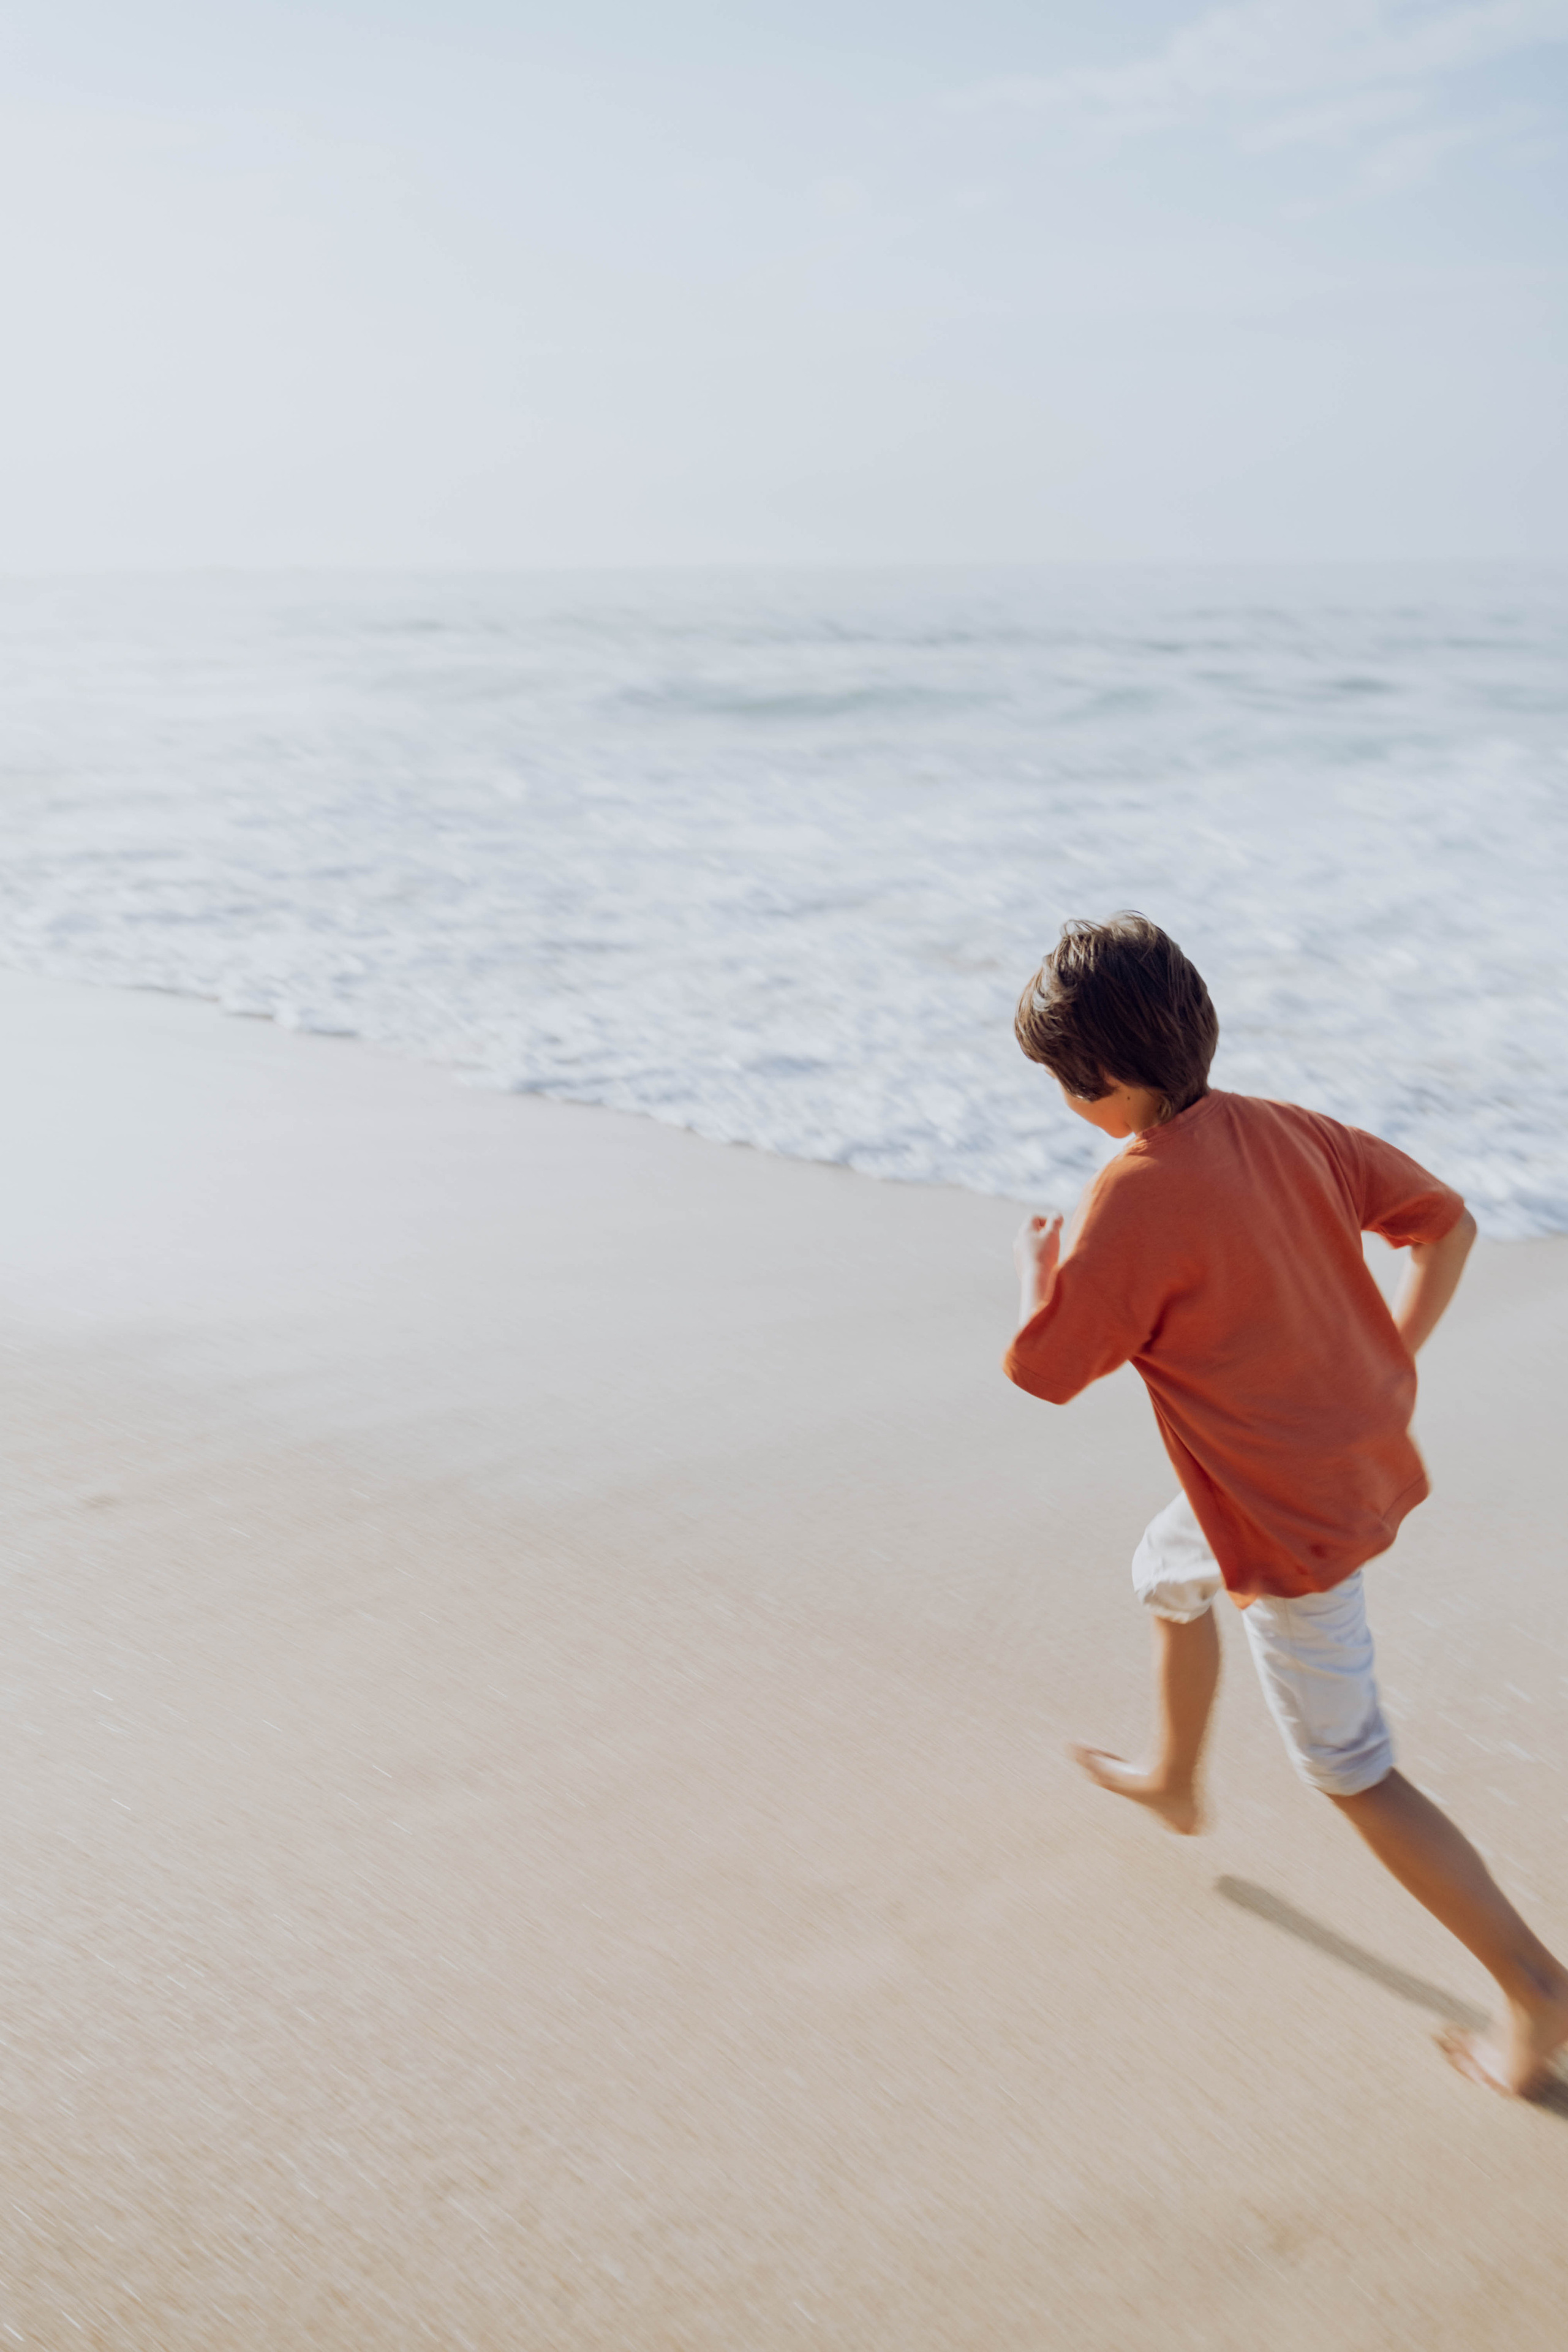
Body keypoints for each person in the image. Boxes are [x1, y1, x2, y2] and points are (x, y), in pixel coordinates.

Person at [1005, 912, 1568, 2100]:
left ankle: (1531, 1986)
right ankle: (1172, 1776)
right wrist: (1395, 1352)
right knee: (1162, 1569)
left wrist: (1040, 1279)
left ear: (1099, 1080)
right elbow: (1444, 1221)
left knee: (1350, 1764)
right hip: (1339, 1453)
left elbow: (1045, 1371)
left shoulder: (1129, 1199)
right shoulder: (1282, 1129)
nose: (1066, 1110)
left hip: (1286, 1523)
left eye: (1064, 1089)